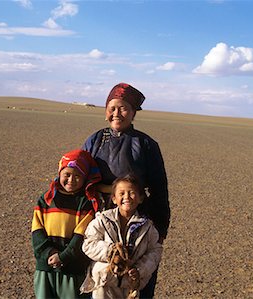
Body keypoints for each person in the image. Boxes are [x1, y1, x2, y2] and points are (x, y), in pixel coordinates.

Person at [82, 82, 170, 297]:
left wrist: (160, 229)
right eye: (112, 108)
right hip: (100, 218)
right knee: (99, 277)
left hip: (138, 219)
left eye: (123, 108)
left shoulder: (146, 144)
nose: (117, 113)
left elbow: (159, 190)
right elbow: (79, 178)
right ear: (105, 112)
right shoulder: (95, 141)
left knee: (136, 275)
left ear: (133, 113)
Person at [31, 149, 102, 299]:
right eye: (67, 175)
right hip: (45, 267)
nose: (71, 180)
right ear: (60, 173)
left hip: (71, 268)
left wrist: (63, 257)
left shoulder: (86, 203)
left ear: (85, 178)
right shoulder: (46, 199)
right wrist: (48, 253)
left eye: (77, 176)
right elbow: (37, 230)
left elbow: (81, 236)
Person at [80, 174, 163, 298]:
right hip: (104, 283)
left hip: (130, 285)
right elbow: (88, 244)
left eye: (132, 193)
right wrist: (110, 251)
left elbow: (155, 251)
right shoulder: (102, 220)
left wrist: (140, 270)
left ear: (140, 198)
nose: (127, 197)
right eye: (122, 193)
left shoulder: (147, 227)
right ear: (114, 198)